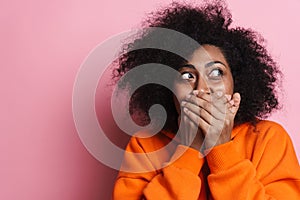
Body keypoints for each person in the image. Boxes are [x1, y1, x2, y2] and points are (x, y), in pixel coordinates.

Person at [112, 1, 300, 199]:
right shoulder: (144, 145)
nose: (202, 89)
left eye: (217, 72)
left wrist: (221, 147)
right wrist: (190, 148)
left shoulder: (268, 138)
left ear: (237, 83)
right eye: (187, 76)